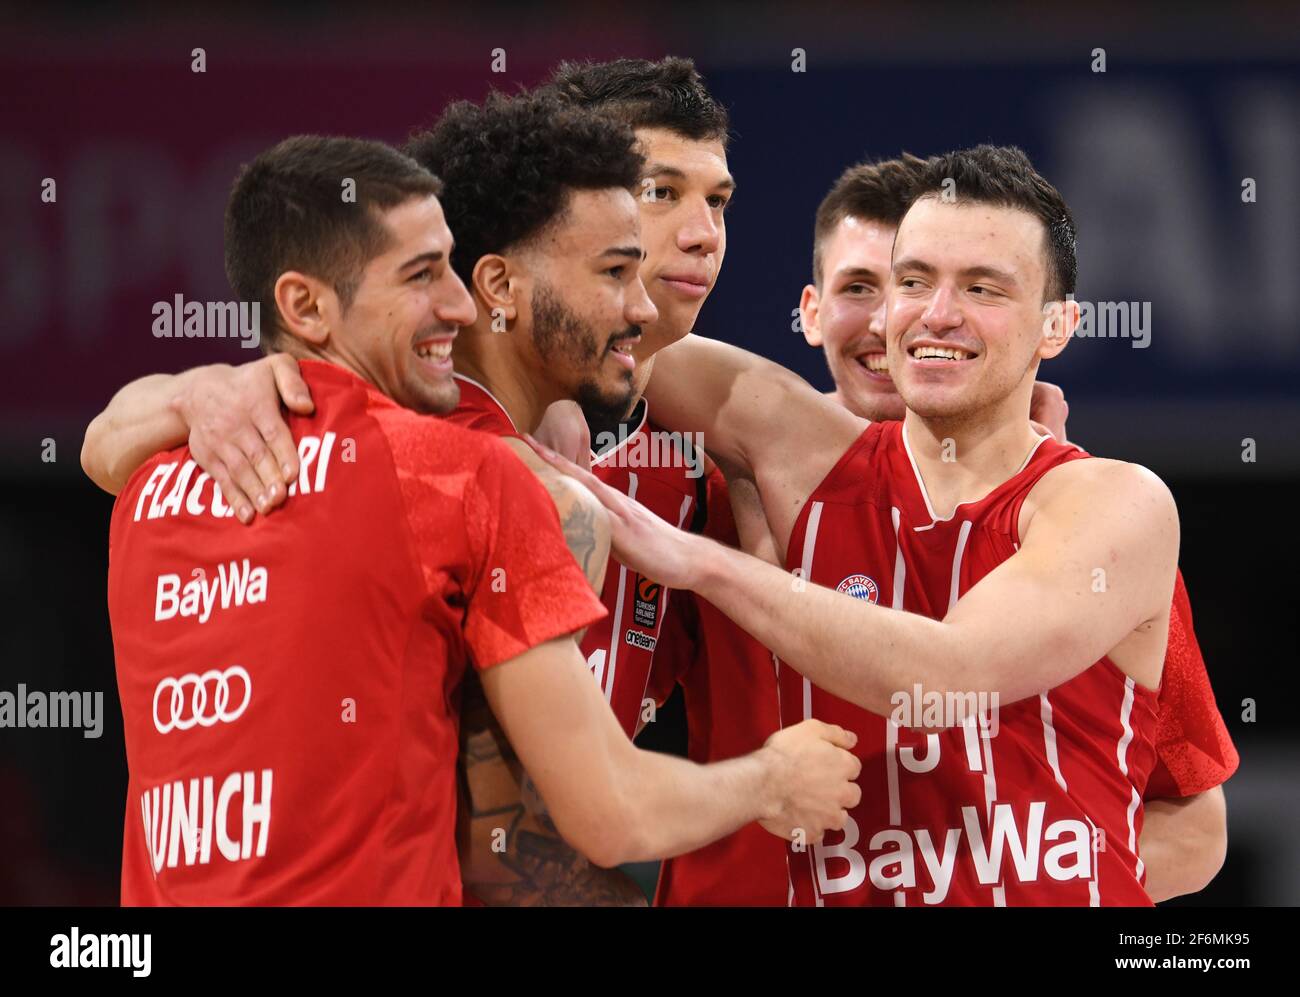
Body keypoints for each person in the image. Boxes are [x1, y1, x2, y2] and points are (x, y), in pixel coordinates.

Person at [95, 134, 863, 905]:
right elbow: (606, 813)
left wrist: (182, 392)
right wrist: (775, 780)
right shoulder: (471, 479)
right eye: (423, 275)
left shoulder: (148, 483)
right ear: (305, 305)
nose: (457, 306)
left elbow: (103, 443)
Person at [537, 145, 1185, 905]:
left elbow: (952, 674)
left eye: (983, 288)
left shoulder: (1117, 503)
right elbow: (579, 333)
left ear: (1057, 326)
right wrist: (555, 395)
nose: (934, 312)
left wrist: (700, 562)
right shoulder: (802, 452)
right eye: (913, 281)